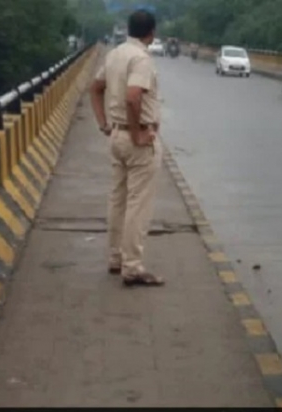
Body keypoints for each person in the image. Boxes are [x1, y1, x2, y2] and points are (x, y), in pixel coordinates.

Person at [89, 9, 165, 287]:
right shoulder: (141, 59)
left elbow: (95, 88)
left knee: (118, 200)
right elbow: (133, 97)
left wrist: (103, 123)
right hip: (137, 140)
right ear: (151, 33)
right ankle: (132, 267)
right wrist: (137, 134)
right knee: (138, 204)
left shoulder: (115, 54)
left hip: (116, 136)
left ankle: (116, 257)